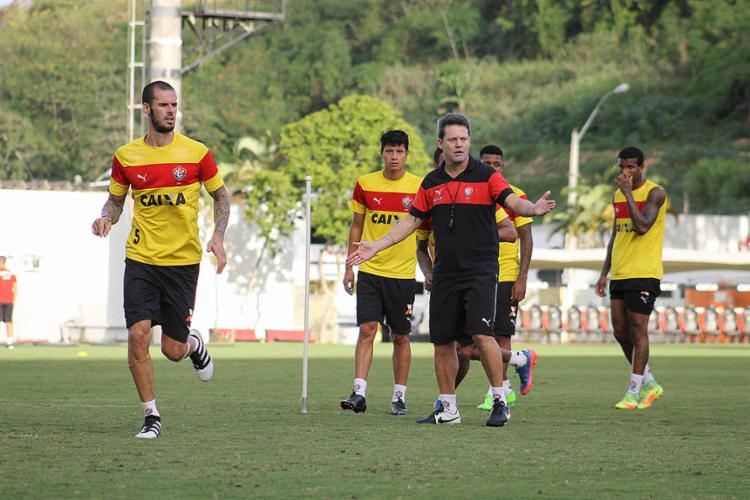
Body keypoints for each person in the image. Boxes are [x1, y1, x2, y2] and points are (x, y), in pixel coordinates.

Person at [348, 113, 555, 427]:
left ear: (469, 141)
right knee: (442, 341)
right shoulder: (431, 183)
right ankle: (448, 409)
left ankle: (500, 400)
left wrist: (533, 209)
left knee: (482, 335)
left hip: (481, 271)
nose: (459, 144)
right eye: (453, 139)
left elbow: (512, 202)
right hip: (445, 273)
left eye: (464, 139)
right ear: (440, 143)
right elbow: (411, 221)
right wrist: (375, 245)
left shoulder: (486, 176)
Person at [91, 80, 230, 438]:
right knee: (138, 335)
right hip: (141, 259)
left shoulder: (196, 153)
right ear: (147, 110)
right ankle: (151, 415)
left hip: (182, 263)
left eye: (174, 104)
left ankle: (193, 344)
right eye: (164, 105)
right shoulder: (126, 157)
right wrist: (106, 216)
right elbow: (116, 200)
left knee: (171, 349)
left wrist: (217, 236)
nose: (171, 110)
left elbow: (222, 198)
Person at [339, 130, 423, 416]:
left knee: (400, 336)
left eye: (399, 151)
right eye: (389, 151)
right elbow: (356, 226)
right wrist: (349, 265)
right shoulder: (365, 184)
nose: (394, 157)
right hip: (371, 271)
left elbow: (426, 232)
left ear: (407, 154)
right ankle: (359, 393)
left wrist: (432, 268)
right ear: (382, 153)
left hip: (402, 273)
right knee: (367, 330)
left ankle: (399, 396)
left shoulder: (418, 187)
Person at [595, 146, 666, 410]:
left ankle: (633, 392)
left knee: (638, 331)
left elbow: (642, 226)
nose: (625, 172)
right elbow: (616, 236)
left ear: (641, 168)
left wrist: (628, 194)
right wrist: (604, 272)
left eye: (631, 167)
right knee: (620, 331)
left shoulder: (655, 193)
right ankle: (648, 381)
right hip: (621, 273)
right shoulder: (617, 195)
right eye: (622, 167)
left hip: (644, 273)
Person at [470, 144, 536, 410]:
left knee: (501, 335)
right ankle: (512, 375)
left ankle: (494, 391)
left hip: (506, 274)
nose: (492, 168)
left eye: (496, 164)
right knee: (474, 339)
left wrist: (522, 278)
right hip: (478, 273)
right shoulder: (476, 193)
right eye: (487, 163)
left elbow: (526, 239)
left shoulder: (515, 196)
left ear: (502, 167)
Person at [0, 256, 17, 348]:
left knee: (9, 321)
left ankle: (10, 341)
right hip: (9, 301)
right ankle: (10, 342)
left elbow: (15, 287)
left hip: (3, 300)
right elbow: (16, 288)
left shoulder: (6, 273)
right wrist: (14, 300)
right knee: (9, 321)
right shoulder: (11, 274)